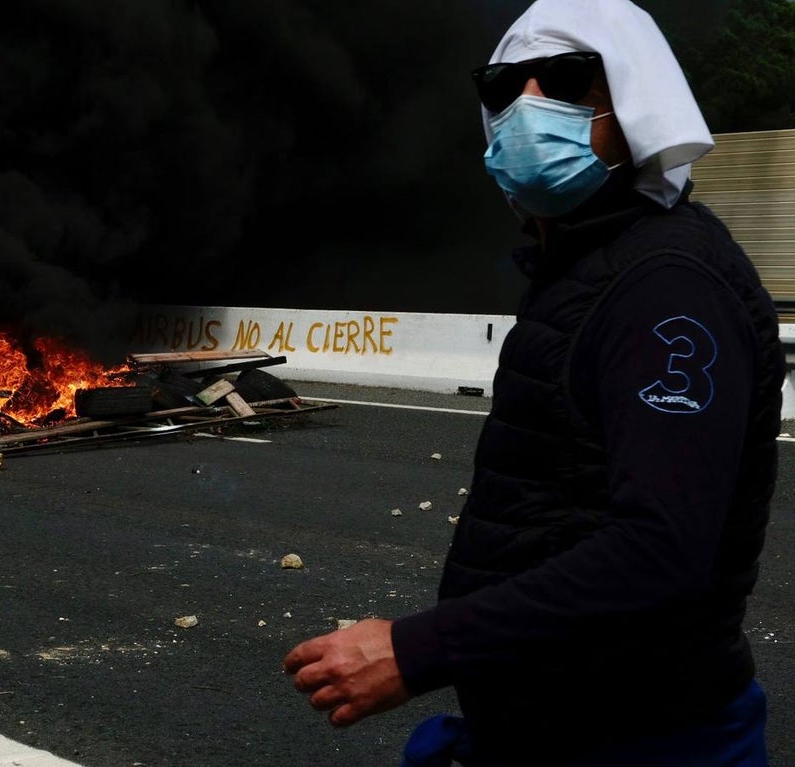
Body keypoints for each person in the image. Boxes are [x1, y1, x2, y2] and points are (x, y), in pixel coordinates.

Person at [282, 1, 786, 765]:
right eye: (504, 87)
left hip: (646, 743)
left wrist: (416, 649)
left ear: (633, 103)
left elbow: (659, 551)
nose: (527, 106)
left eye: (566, 81)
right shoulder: (593, 268)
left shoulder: (665, 285)